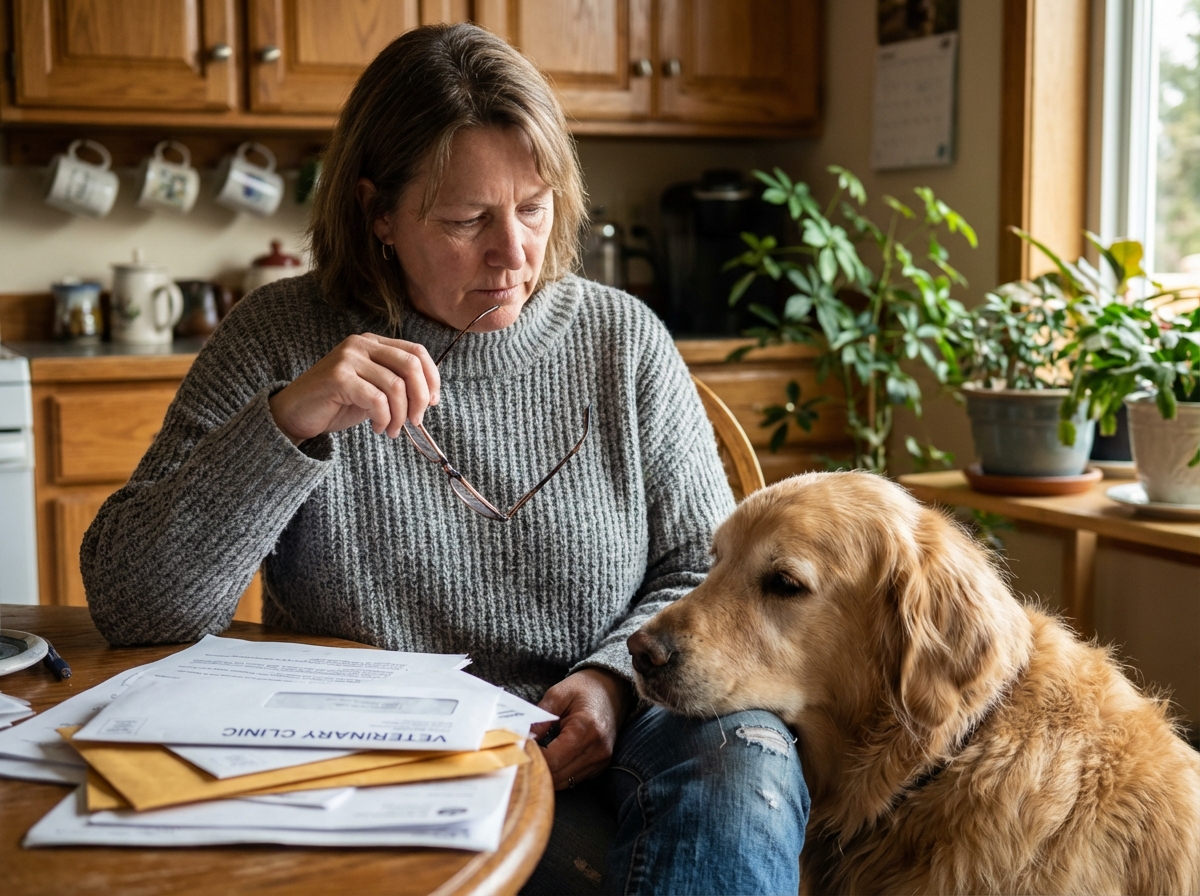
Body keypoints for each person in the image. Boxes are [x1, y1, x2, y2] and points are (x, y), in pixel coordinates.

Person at [80, 23, 809, 895]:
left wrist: (612, 679)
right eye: (468, 220)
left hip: (615, 729)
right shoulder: (277, 337)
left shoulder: (623, 341)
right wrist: (286, 422)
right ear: (378, 214)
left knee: (747, 760)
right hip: (372, 753)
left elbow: (702, 574)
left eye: (533, 207)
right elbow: (134, 607)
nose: (514, 255)